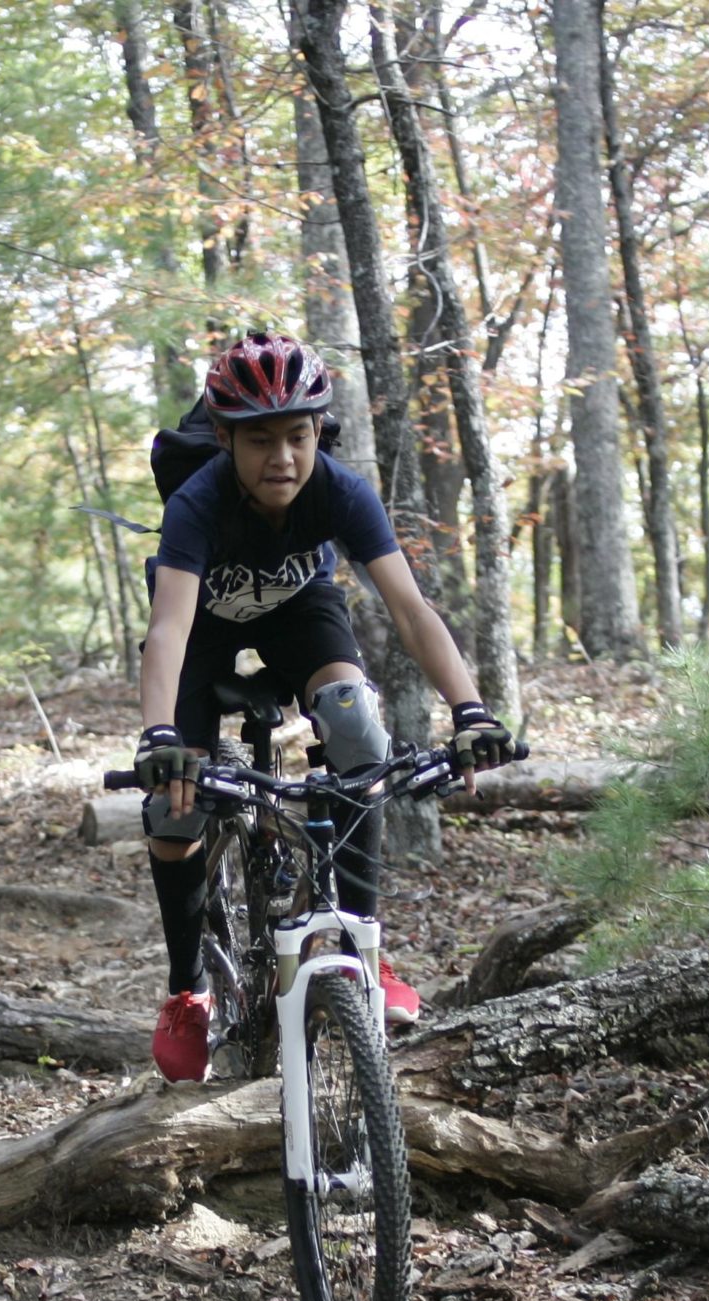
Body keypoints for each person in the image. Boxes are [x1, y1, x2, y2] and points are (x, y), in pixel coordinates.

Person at [136, 331, 522, 1083]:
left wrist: (471, 710)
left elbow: (411, 610)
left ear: (320, 434)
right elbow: (168, 627)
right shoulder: (197, 501)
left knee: (355, 726)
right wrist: (158, 736)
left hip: (298, 611)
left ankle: (363, 953)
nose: (281, 457)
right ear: (224, 440)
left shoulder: (341, 492)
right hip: (203, 629)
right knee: (175, 804)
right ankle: (187, 991)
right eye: (259, 441)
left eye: (298, 437)